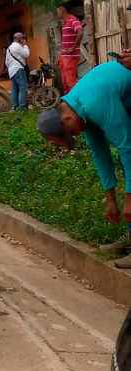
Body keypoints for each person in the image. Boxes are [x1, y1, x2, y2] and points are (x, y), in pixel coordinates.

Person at [37, 60, 131, 268]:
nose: (75, 135)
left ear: (67, 119)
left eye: (71, 134)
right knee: (126, 167)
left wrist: (129, 199)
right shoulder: (78, 110)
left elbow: (127, 146)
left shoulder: (94, 103)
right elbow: (100, 154)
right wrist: (111, 201)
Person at [57, 3, 83, 94]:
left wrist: (73, 48)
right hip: (64, 56)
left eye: (57, 12)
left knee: (70, 81)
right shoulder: (65, 23)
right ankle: (69, 102)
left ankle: (77, 100)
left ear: (62, 11)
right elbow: (65, 42)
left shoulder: (73, 20)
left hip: (70, 56)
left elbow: (80, 32)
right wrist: (60, 56)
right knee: (65, 82)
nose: (57, 14)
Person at [5, 32, 30, 111]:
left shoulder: (9, 48)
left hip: (12, 70)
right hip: (19, 69)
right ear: (19, 39)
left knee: (15, 90)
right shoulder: (18, 46)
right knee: (23, 88)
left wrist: (11, 67)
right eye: (22, 39)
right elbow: (26, 55)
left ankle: (16, 107)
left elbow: (6, 62)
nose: (23, 40)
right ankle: (22, 107)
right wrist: (25, 45)